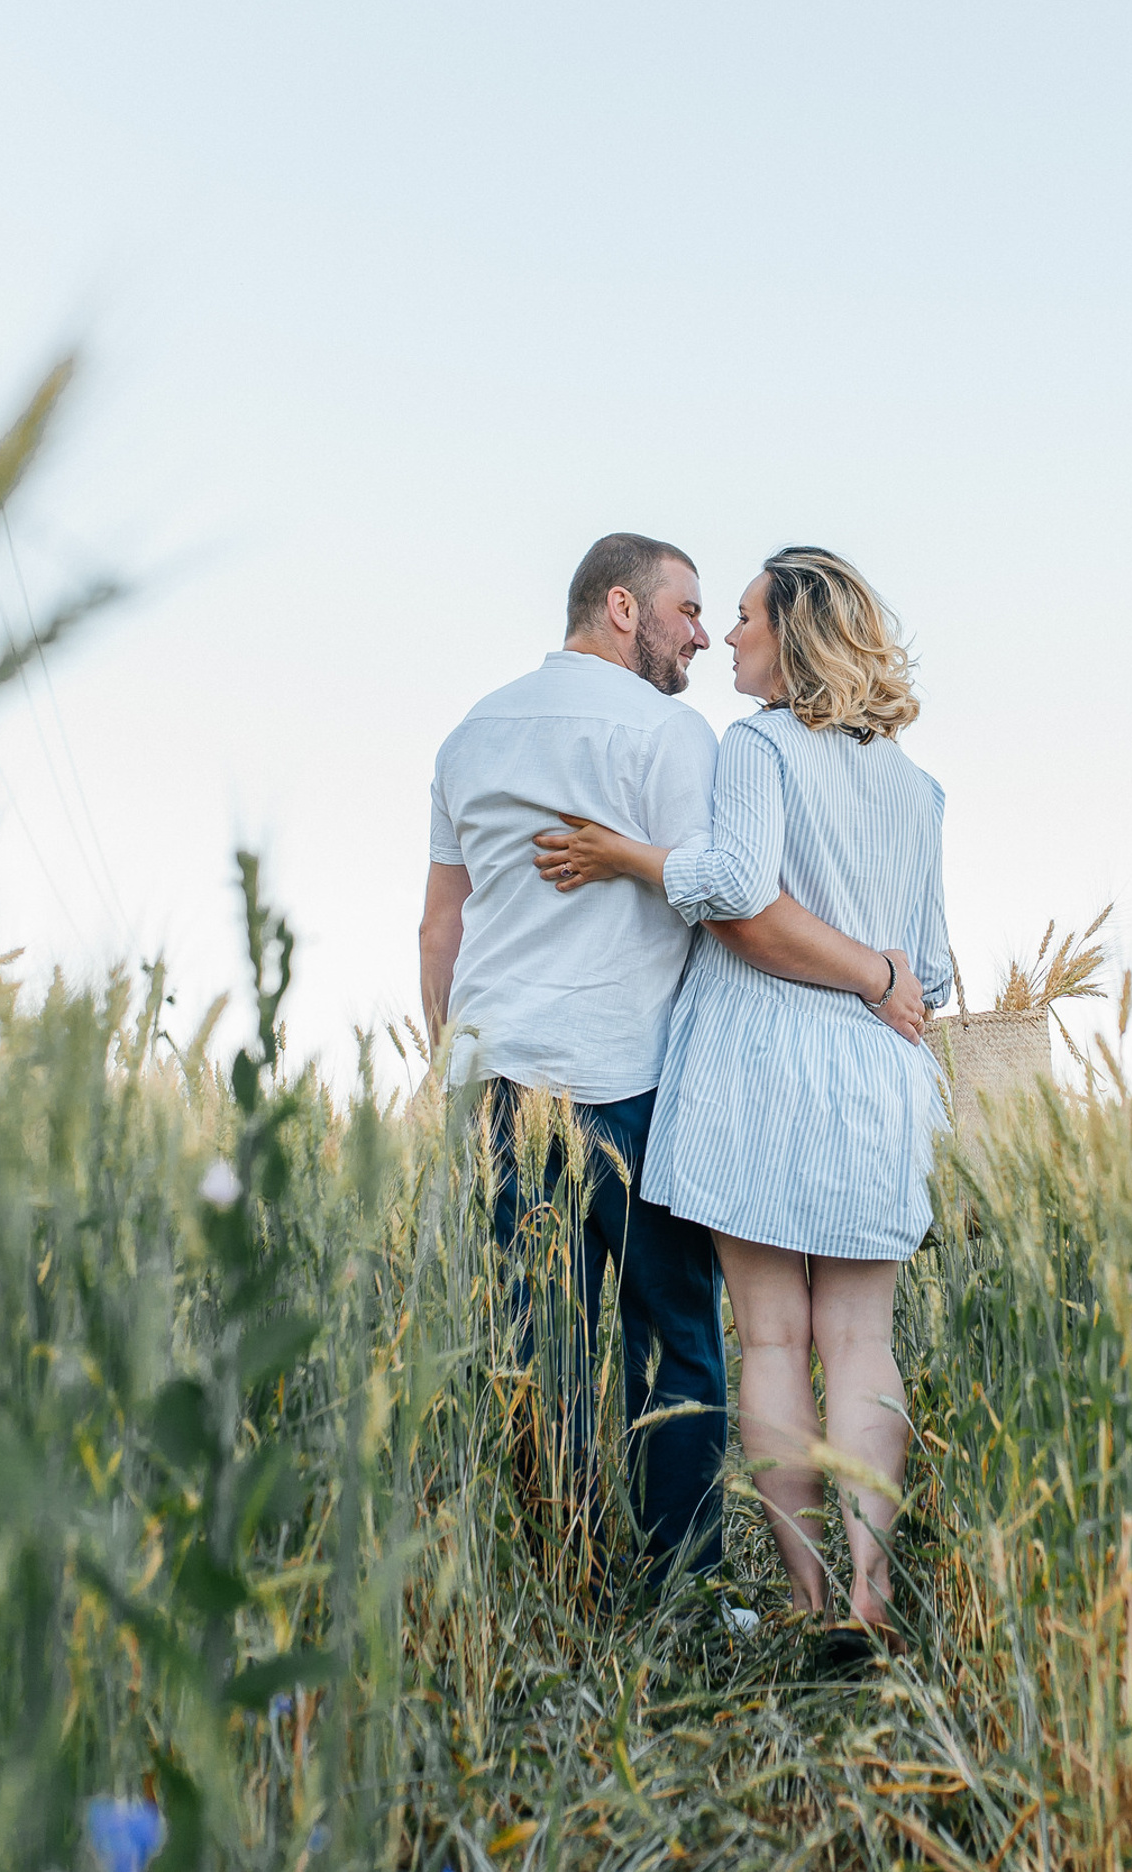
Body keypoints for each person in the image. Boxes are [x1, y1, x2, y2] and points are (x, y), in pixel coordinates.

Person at [418, 532, 925, 1597]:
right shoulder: (687, 736)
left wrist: (446, 1063)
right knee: (681, 1349)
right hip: (641, 1078)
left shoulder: (471, 734)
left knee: (537, 1343)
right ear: (621, 608)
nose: (704, 633)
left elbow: (440, 926)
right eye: (689, 610)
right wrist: (879, 979)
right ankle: (689, 1588)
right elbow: (742, 905)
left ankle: (566, 1582)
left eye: (722, 614)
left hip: (501, 1077)